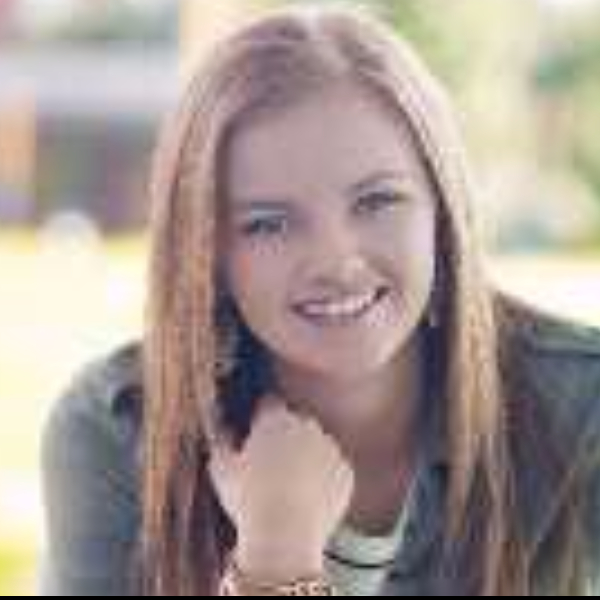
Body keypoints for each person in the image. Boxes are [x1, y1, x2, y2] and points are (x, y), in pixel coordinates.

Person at [40, 5, 600, 596]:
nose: (336, 262)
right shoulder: (115, 435)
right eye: (268, 224)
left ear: (440, 209)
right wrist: (275, 551)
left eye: (377, 201)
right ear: (207, 252)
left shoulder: (579, 407)